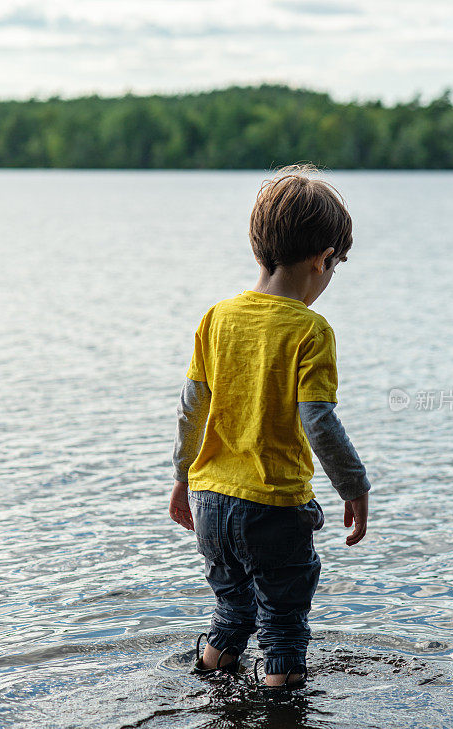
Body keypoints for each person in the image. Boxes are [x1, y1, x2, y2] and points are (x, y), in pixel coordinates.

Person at [169, 164, 371, 688]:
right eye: (334, 267)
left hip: (212, 500)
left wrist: (181, 478)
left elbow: (192, 408)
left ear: (260, 248)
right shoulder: (311, 330)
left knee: (232, 616)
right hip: (274, 508)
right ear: (323, 259)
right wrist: (355, 485)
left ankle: (212, 693)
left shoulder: (218, 317)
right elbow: (319, 421)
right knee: (282, 630)